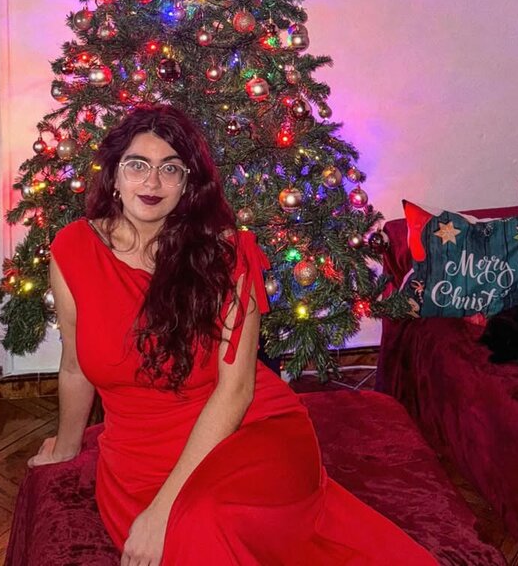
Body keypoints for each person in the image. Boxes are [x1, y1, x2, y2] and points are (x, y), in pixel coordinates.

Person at [29, 104, 438, 566]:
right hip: (137, 461)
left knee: (202, 523)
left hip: (247, 429)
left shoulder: (224, 256)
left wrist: (163, 511)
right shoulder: (74, 249)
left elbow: (237, 390)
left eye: (170, 169)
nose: (152, 182)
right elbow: (75, 364)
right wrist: (66, 447)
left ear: (188, 185)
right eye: (137, 165)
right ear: (114, 176)